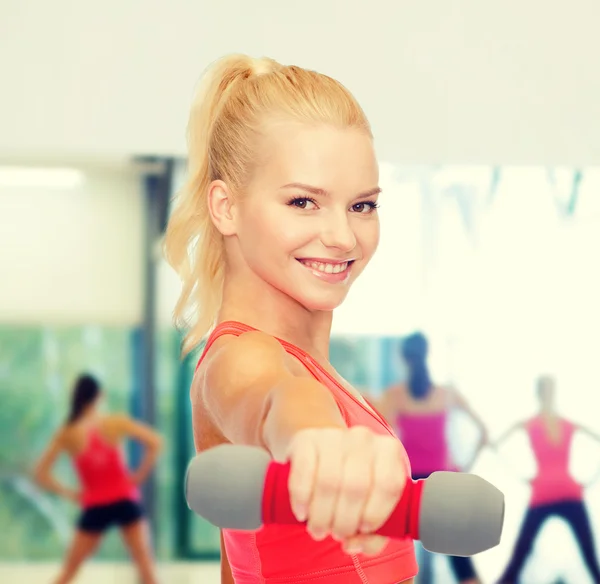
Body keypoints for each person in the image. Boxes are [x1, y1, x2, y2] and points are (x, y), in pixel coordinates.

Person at [164, 54, 419, 583]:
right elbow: (277, 399)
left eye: (362, 206)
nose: (344, 237)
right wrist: (314, 442)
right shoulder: (240, 358)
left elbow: (242, 566)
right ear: (225, 207)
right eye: (304, 201)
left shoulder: (317, 368)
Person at [376, 332, 488, 584]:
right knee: (462, 565)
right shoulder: (447, 394)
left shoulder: (394, 396)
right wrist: (463, 467)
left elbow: (379, 441)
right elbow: (483, 433)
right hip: (443, 483)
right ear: (427, 355)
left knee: (393, 562)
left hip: (410, 487)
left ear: (404, 359)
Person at [33, 374, 163, 584]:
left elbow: (40, 473)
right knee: (145, 567)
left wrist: (70, 493)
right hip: (124, 500)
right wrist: (138, 476)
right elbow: (156, 442)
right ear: (99, 395)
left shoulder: (67, 432)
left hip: (96, 505)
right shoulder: (114, 422)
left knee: (68, 572)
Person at [493, 375, 600, 584]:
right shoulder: (536, 424)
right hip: (551, 494)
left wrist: (590, 480)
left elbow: (495, 446)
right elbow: (495, 446)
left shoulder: (559, 423)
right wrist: (521, 476)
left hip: (562, 493)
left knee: (589, 558)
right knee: (519, 558)